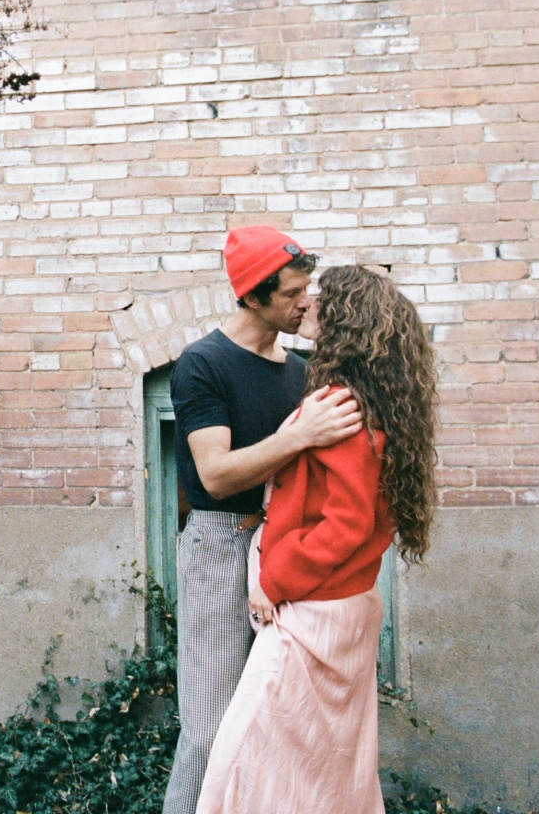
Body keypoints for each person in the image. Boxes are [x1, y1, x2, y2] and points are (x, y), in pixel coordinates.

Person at [195, 265, 438, 814]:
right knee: (330, 769)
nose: (307, 305)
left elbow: (346, 523)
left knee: (243, 760)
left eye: (320, 300)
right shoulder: (366, 400)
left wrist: (273, 581)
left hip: (314, 610)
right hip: (342, 604)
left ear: (346, 321)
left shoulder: (339, 405)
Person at [162, 226, 363, 814]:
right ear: (252, 296)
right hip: (222, 544)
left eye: (308, 289)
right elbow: (216, 474)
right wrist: (296, 436)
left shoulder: (300, 371)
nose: (307, 302)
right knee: (210, 730)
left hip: (286, 549)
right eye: (293, 292)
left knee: (275, 729)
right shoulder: (202, 364)